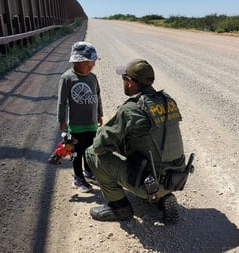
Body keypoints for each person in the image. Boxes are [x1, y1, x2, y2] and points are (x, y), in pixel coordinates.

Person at [85, 59, 190, 224]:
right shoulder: (167, 99)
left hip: (149, 180)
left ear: (130, 82)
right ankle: (162, 198)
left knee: (91, 153)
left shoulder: (132, 109)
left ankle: (120, 208)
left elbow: (99, 145)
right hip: (176, 177)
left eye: (124, 79)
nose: (124, 83)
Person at [57, 41, 103, 193]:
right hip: (76, 124)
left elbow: (98, 96)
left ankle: (89, 173)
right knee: (76, 152)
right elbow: (62, 102)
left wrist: (99, 114)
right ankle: (78, 177)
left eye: (93, 63)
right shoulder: (67, 78)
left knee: (90, 150)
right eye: (88, 64)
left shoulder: (93, 77)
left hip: (91, 123)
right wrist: (62, 120)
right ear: (77, 61)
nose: (92, 66)